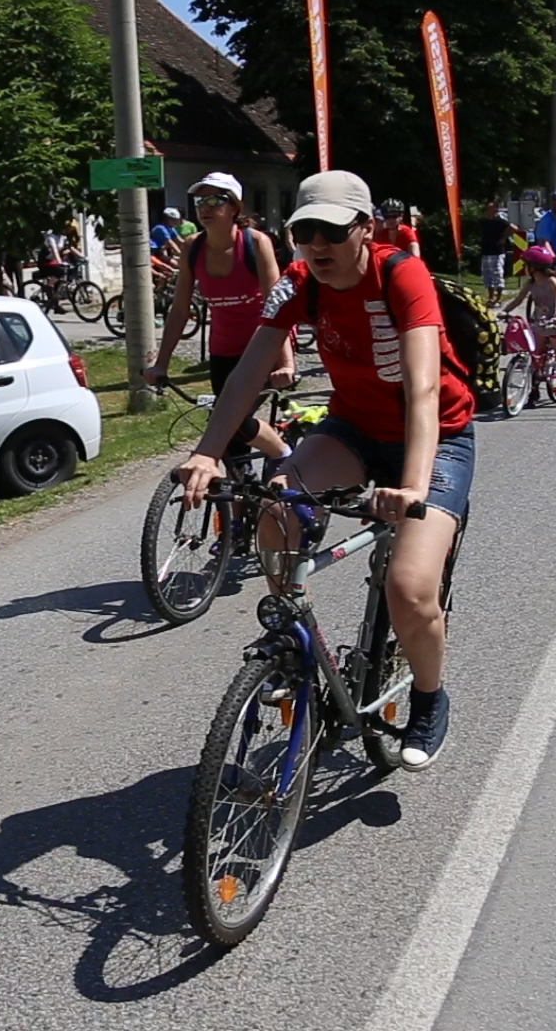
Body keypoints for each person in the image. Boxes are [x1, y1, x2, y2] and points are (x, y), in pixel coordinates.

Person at [175, 170, 476, 771]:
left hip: (437, 437)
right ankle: (294, 645)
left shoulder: (401, 274)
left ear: (365, 229)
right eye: (305, 231)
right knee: (274, 503)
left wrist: (413, 486)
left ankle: (428, 698)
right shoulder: (298, 282)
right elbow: (248, 372)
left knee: (409, 589)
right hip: (354, 430)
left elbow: (422, 388)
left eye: (332, 232)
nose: (318, 245)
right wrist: (208, 452)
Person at [146, 172, 296, 469]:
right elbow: (179, 310)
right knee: (230, 443)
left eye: (216, 200)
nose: (205, 207)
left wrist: (286, 364)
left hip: (261, 349)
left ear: (235, 207)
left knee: (230, 420)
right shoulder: (193, 247)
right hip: (222, 352)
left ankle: (282, 453)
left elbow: (277, 306)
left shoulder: (256, 243)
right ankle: (239, 498)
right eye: (200, 201)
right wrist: (161, 364)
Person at [501, 244, 556, 406]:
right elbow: (518, 300)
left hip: (554, 323)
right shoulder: (530, 283)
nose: (525, 268)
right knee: (535, 356)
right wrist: (505, 311)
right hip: (538, 322)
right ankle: (534, 389)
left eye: (526, 265)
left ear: (533, 268)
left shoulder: (551, 280)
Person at [477, 200, 514, 305]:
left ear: (495, 210)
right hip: (486, 251)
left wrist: (504, 238)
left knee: (497, 274)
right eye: (487, 209)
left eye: (491, 209)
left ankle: (499, 298)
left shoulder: (500, 221)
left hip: (497, 252)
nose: (488, 211)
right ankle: (491, 297)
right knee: (487, 275)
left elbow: (513, 227)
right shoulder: (484, 221)